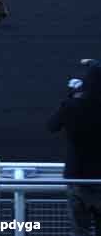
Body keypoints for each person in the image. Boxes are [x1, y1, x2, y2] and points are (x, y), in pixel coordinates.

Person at [48, 58, 101, 236]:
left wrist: (70, 95)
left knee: (80, 230)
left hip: (77, 176)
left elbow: (52, 126)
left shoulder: (73, 105)